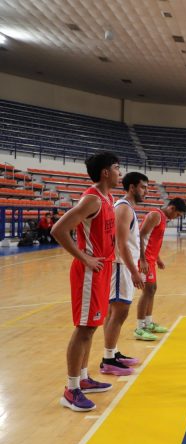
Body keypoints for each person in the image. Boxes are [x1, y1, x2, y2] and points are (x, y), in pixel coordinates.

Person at [51, 152, 120, 412]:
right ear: (105, 172)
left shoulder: (108, 197)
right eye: (117, 168)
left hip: (102, 269)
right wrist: (84, 257)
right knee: (83, 329)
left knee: (91, 327)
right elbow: (58, 230)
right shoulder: (92, 199)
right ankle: (71, 389)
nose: (120, 173)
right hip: (89, 273)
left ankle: (83, 378)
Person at [100, 172, 148, 376]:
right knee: (119, 312)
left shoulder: (126, 208)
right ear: (132, 187)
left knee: (115, 313)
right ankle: (108, 360)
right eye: (143, 187)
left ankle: (113, 352)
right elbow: (121, 244)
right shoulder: (124, 208)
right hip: (121, 266)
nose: (145, 191)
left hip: (123, 266)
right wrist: (134, 271)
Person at [135, 197, 186, 340]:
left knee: (152, 289)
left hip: (151, 259)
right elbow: (140, 236)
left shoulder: (163, 218)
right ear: (172, 208)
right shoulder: (155, 215)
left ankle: (148, 323)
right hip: (144, 259)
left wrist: (157, 258)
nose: (176, 218)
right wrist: (143, 259)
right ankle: (139, 328)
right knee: (147, 291)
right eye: (177, 215)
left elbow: (153, 240)